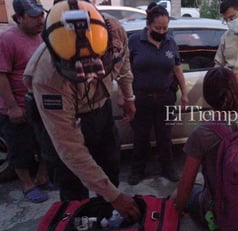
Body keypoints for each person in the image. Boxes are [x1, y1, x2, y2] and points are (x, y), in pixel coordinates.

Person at [23, 0, 140, 221]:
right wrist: (115, 197)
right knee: (73, 188)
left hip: (100, 112)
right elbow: (70, 148)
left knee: (109, 169)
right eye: (79, 70)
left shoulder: (114, 30)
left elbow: (123, 63)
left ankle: (106, 219)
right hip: (63, 121)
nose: (90, 76)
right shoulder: (47, 78)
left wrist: (128, 95)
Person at [171, 67, 238, 228]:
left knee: (178, 193)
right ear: (237, 92)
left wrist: (176, 211)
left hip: (219, 212)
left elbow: (186, 184)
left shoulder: (203, 133)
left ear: (207, 97)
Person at [127, 2, 188, 185]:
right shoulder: (135, 41)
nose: (162, 31)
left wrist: (184, 94)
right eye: (157, 27)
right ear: (148, 25)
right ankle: (138, 170)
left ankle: (167, 168)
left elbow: (178, 70)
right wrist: (125, 95)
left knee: (165, 137)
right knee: (140, 137)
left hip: (165, 99)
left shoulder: (170, 41)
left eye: (165, 27)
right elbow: (126, 71)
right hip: (141, 99)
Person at [0, 0, 53, 203]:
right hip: (18, 106)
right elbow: (2, 75)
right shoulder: (7, 39)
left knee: (45, 145)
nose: (40, 19)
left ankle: (42, 177)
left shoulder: (43, 36)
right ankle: (27, 184)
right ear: (20, 17)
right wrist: (13, 106)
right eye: (34, 16)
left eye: (41, 15)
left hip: (42, 105)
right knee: (21, 149)